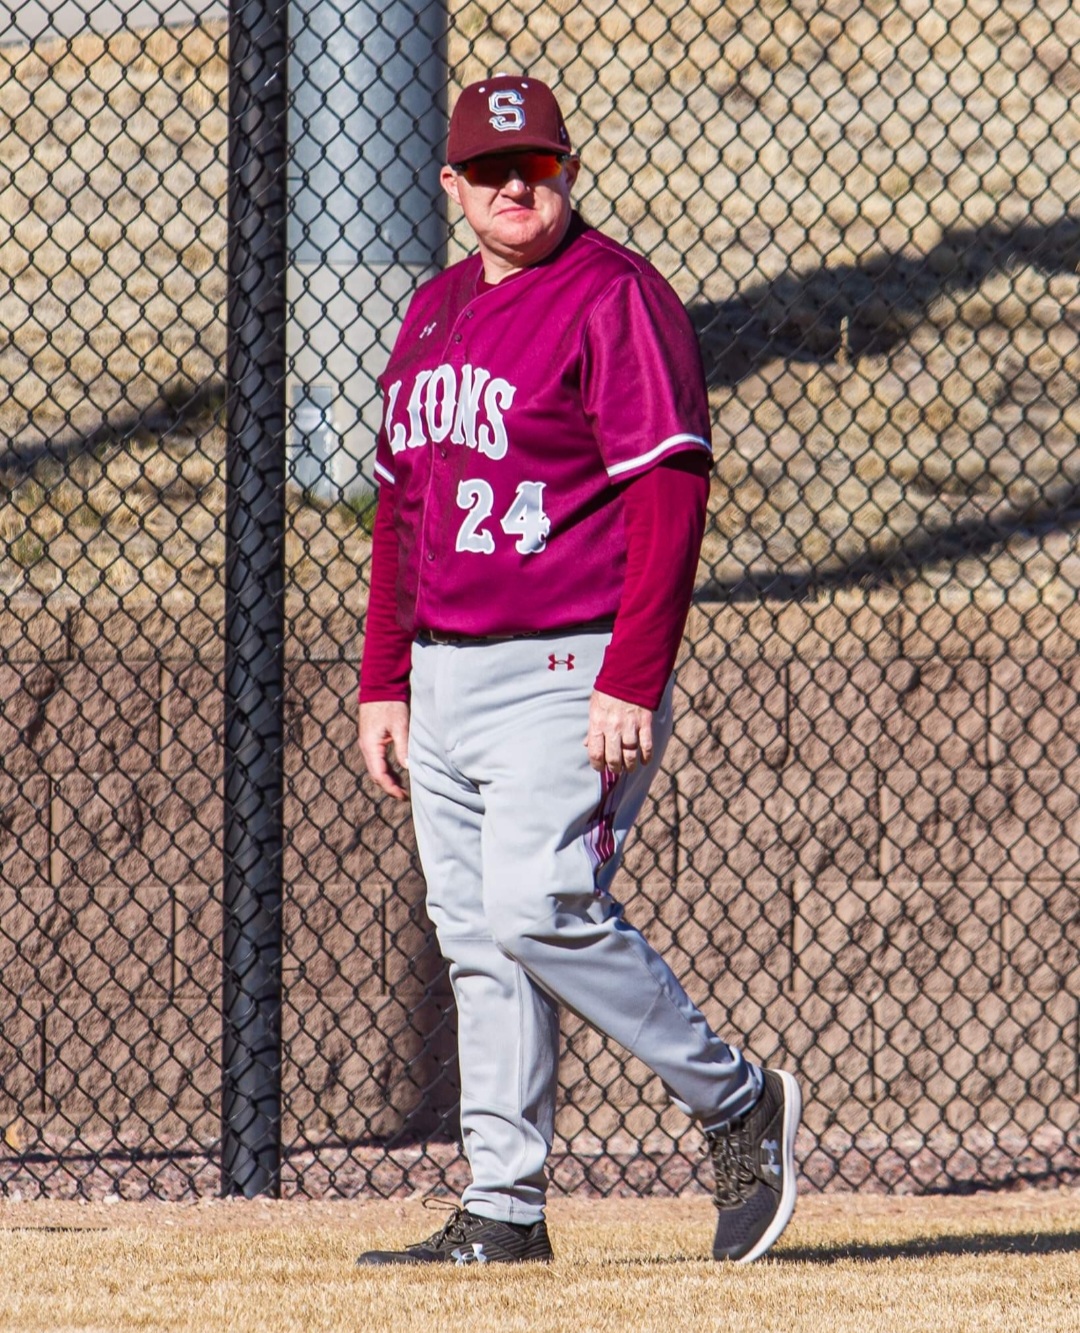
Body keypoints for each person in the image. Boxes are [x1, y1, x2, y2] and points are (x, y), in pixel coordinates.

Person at [355, 73, 801, 1267]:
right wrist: (384, 678)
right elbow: (402, 511)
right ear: (451, 186)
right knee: (476, 937)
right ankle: (504, 1206)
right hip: (443, 676)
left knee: (539, 906)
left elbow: (668, 497)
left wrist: (631, 676)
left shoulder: (615, 296)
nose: (515, 187)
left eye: (536, 166)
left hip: (566, 666)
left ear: (567, 174)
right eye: (489, 171)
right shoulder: (433, 311)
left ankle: (734, 1098)